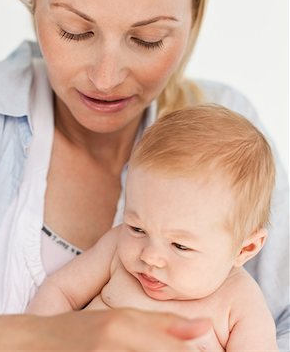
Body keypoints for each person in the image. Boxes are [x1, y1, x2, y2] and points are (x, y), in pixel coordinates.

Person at [0, 0, 288, 350]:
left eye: (148, 39)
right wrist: (39, 336)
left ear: (194, 17)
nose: (106, 78)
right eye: (75, 30)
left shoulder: (231, 132)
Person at [27, 104, 279, 352]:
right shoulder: (116, 249)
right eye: (137, 228)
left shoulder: (240, 306)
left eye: (180, 246)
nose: (149, 256)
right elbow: (61, 291)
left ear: (245, 248)